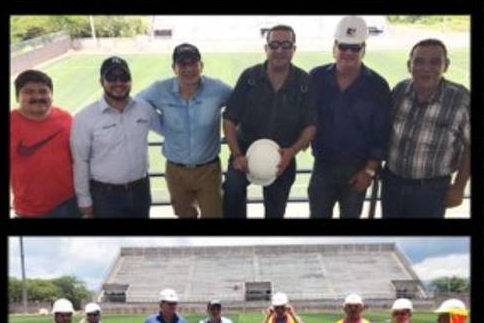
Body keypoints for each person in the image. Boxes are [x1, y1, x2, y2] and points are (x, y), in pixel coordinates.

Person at [222, 25, 317, 218]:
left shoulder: (304, 82)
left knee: (275, 212)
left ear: (293, 49)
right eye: (274, 45)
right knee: (232, 197)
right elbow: (229, 119)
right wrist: (237, 154)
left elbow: (311, 125)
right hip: (244, 153)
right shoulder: (249, 77)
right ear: (266, 49)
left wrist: (292, 151)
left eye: (286, 45)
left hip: (283, 157)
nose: (280, 50)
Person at [308, 16, 392, 219]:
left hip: (358, 171)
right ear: (334, 47)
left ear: (364, 49)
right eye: (343, 46)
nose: (348, 53)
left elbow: (382, 133)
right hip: (322, 167)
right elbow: (303, 117)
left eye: (355, 48)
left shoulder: (378, 86)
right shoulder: (316, 77)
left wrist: (370, 171)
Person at [138, 43, 232, 218]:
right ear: (174, 68)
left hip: (208, 170)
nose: (188, 69)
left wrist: (235, 133)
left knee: (214, 215)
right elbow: (138, 105)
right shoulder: (159, 89)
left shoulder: (218, 89)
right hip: (175, 172)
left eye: (193, 63)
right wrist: (162, 128)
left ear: (201, 66)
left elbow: (240, 104)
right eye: (182, 64)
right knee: (184, 216)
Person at [383, 39, 471, 218]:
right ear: (410, 65)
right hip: (392, 183)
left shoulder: (460, 99)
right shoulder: (399, 91)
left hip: (432, 190)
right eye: (419, 61)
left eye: (435, 62)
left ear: (445, 65)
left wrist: (459, 187)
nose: (426, 68)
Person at [70, 56, 159, 219]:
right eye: (111, 77)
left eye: (124, 77)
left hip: (141, 191)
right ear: (101, 81)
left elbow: (170, 130)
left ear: (131, 80)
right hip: (105, 196)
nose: (119, 83)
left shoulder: (145, 109)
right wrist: (84, 199)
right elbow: (81, 161)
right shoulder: (84, 117)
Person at [10, 69, 79, 218]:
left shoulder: (66, 119)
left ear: (51, 95)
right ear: (17, 97)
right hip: (30, 212)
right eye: (29, 92)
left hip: (71, 203)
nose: (37, 96)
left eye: (43, 91)